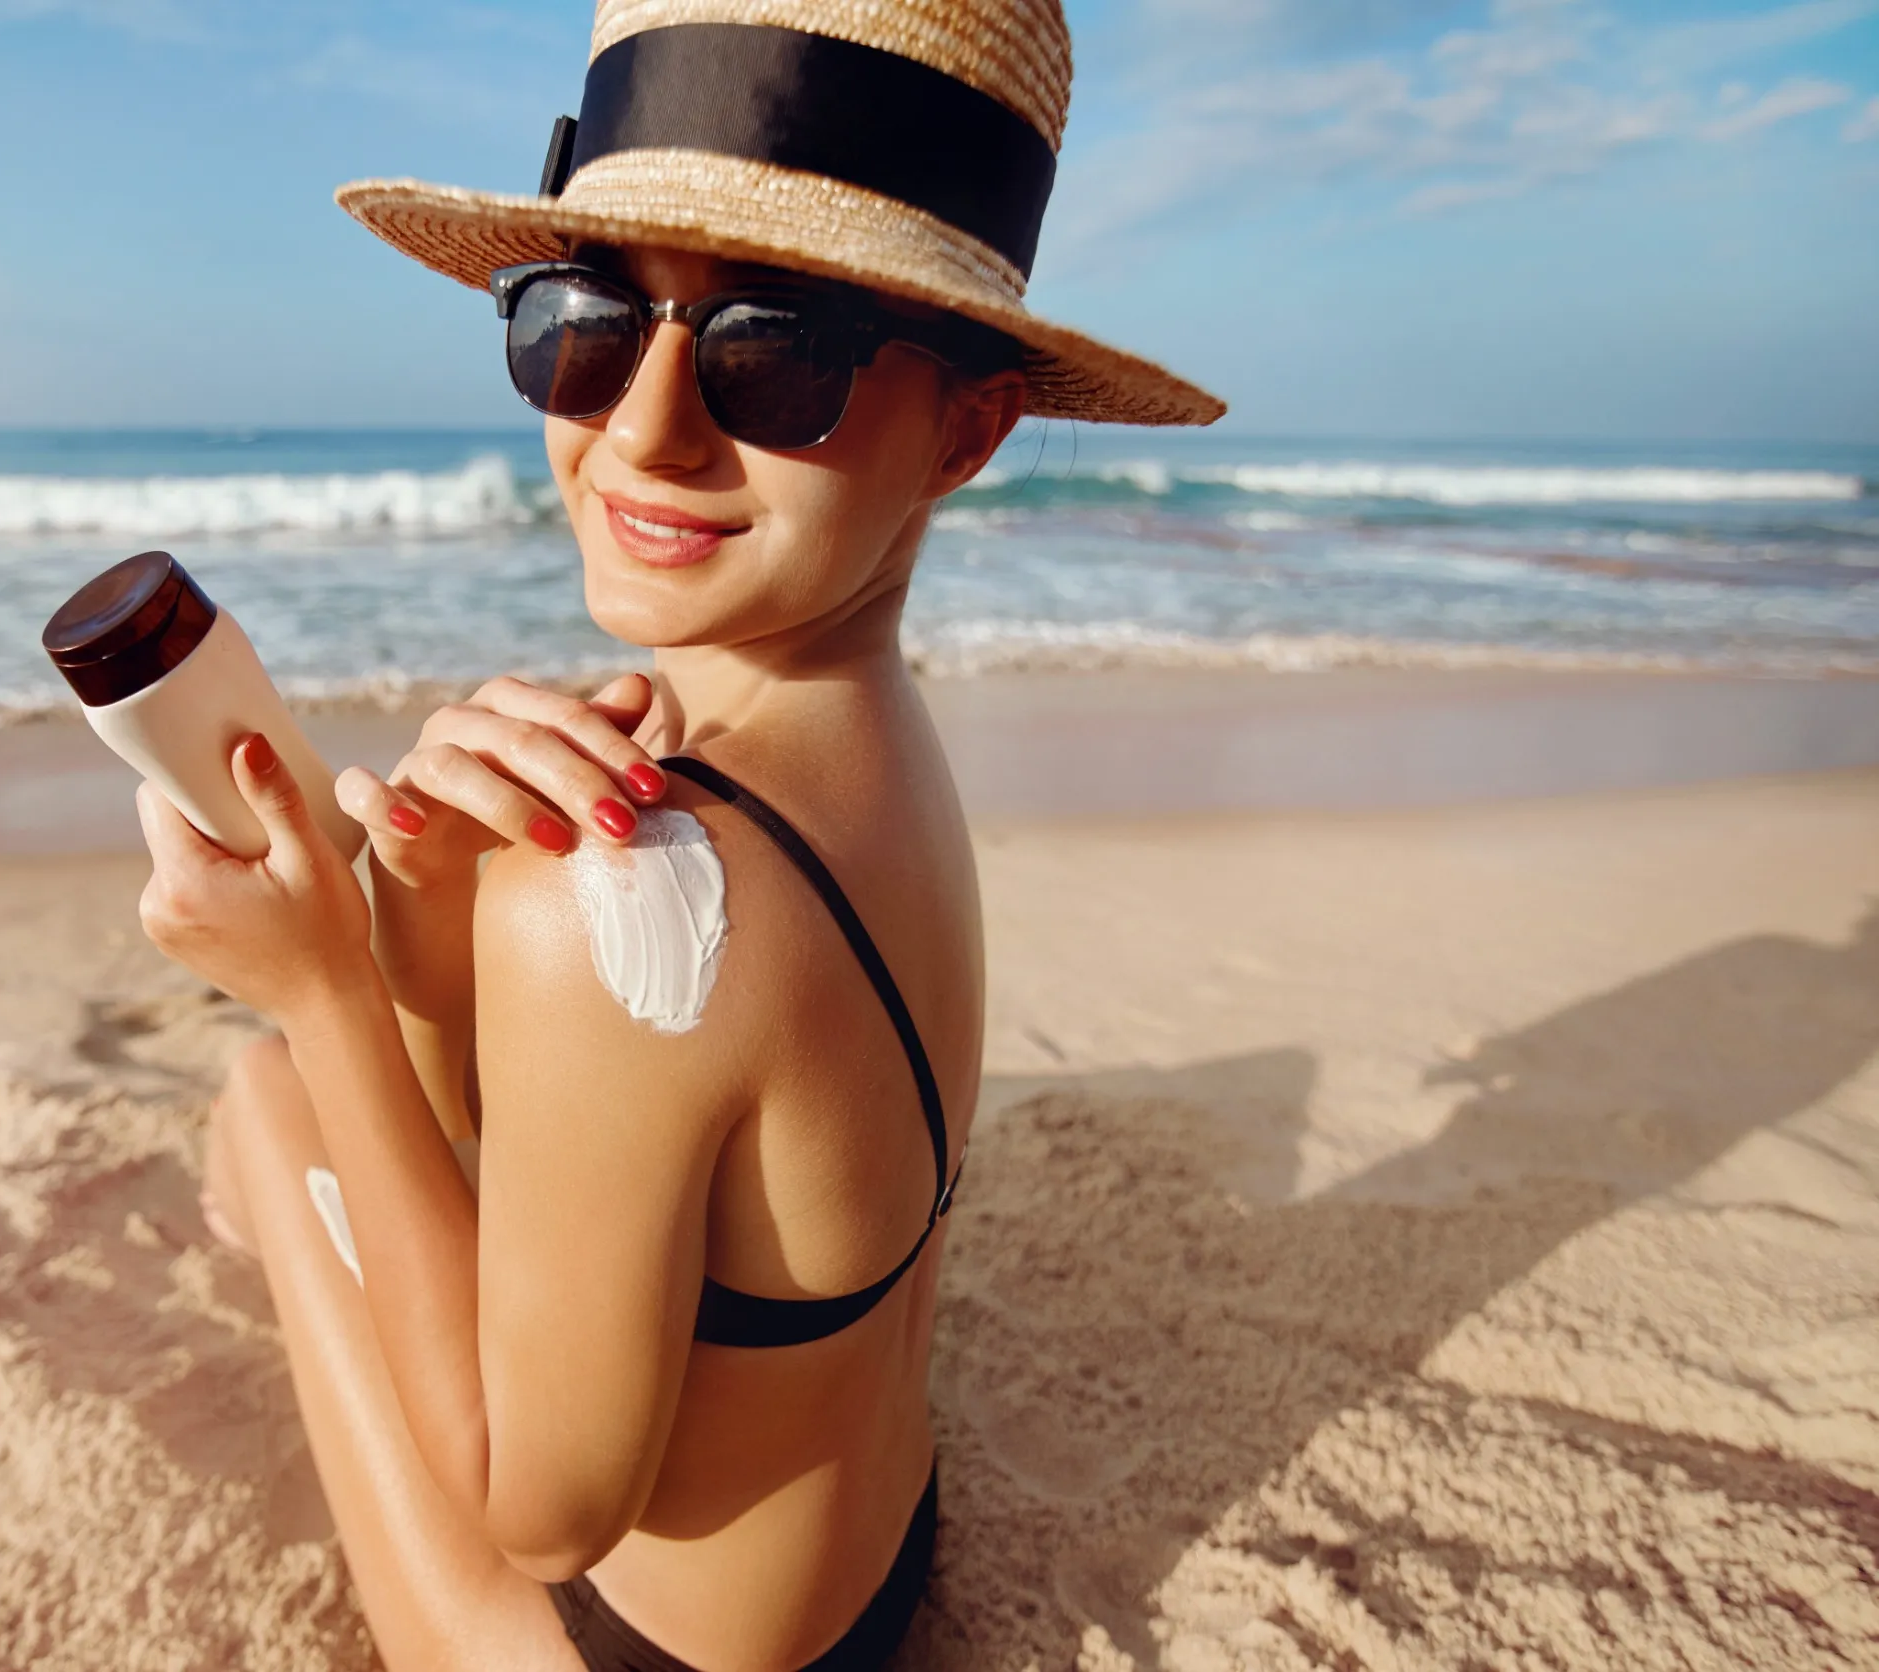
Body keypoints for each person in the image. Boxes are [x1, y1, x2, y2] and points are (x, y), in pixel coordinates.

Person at [131, 2, 1220, 1666]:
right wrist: (423, 891)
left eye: (771, 350)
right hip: (875, 1553)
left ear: (970, 431)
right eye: (585, 321)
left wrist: (328, 989)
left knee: (270, 1099)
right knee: (328, 1109)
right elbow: (616, 1102)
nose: (642, 427)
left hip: (632, 1647)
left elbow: (537, 1509)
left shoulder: (617, 895)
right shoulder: (867, 748)